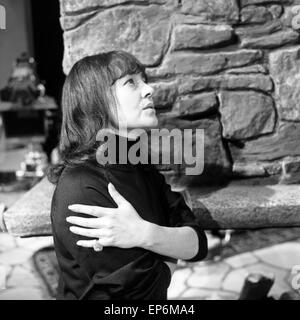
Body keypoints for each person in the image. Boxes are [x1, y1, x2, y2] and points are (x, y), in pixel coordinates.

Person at [49, 51, 208, 300]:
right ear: (95, 100)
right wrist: (168, 242)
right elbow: (145, 291)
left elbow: (198, 243)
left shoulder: (135, 161)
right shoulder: (81, 187)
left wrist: (145, 234)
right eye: (130, 82)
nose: (149, 89)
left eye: (143, 79)